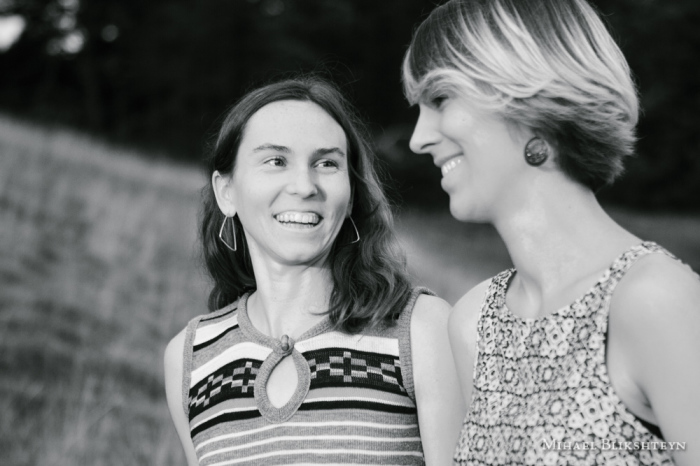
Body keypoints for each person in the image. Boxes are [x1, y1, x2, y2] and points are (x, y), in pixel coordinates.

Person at [402, 0, 700, 464]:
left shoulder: (655, 302)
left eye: (439, 99)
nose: (418, 138)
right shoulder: (473, 323)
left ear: (526, 98)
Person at [164, 76, 465, 466]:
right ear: (227, 192)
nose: (305, 186)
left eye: (326, 163)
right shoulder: (190, 360)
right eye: (276, 161)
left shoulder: (421, 330)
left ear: (351, 190)